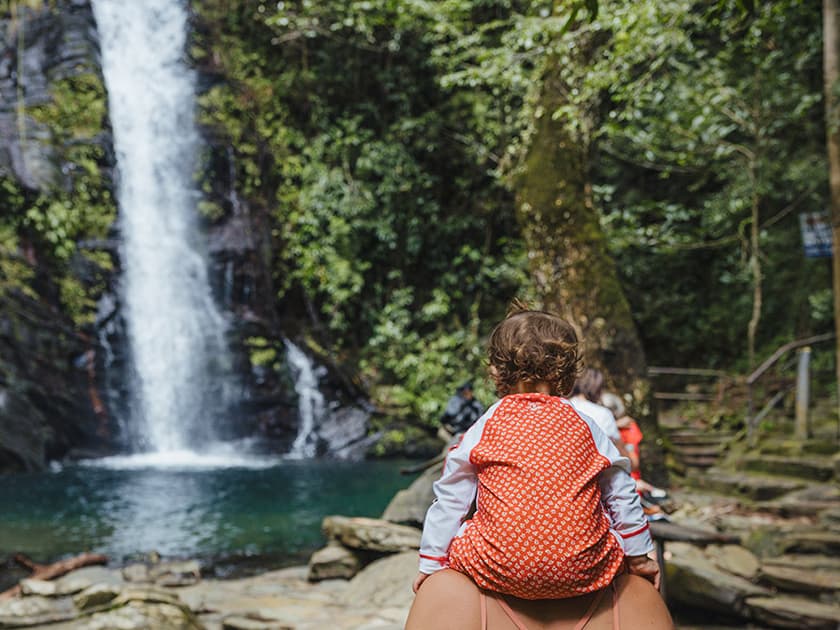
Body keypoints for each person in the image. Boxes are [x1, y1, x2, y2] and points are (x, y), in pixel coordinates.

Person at [413, 305, 659, 607]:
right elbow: (621, 492)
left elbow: (451, 498)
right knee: (608, 525)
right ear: (569, 373)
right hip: (585, 570)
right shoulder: (585, 424)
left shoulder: (486, 425)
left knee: (465, 530)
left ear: (496, 371)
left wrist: (431, 566)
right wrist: (639, 556)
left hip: (496, 569)